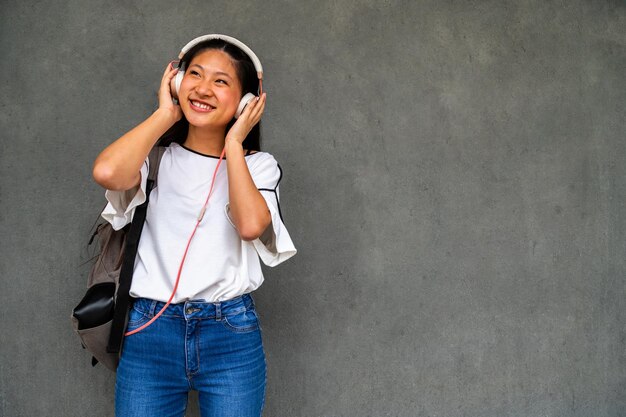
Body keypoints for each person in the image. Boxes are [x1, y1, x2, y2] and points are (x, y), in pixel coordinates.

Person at [92, 34, 297, 417]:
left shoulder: (258, 167)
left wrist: (235, 144)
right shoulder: (153, 158)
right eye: (195, 75)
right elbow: (107, 172)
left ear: (248, 102)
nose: (203, 88)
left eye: (221, 81)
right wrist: (165, 114)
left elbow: (251, 226)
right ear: (176, 82)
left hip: (230, 332)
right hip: (149, 328)